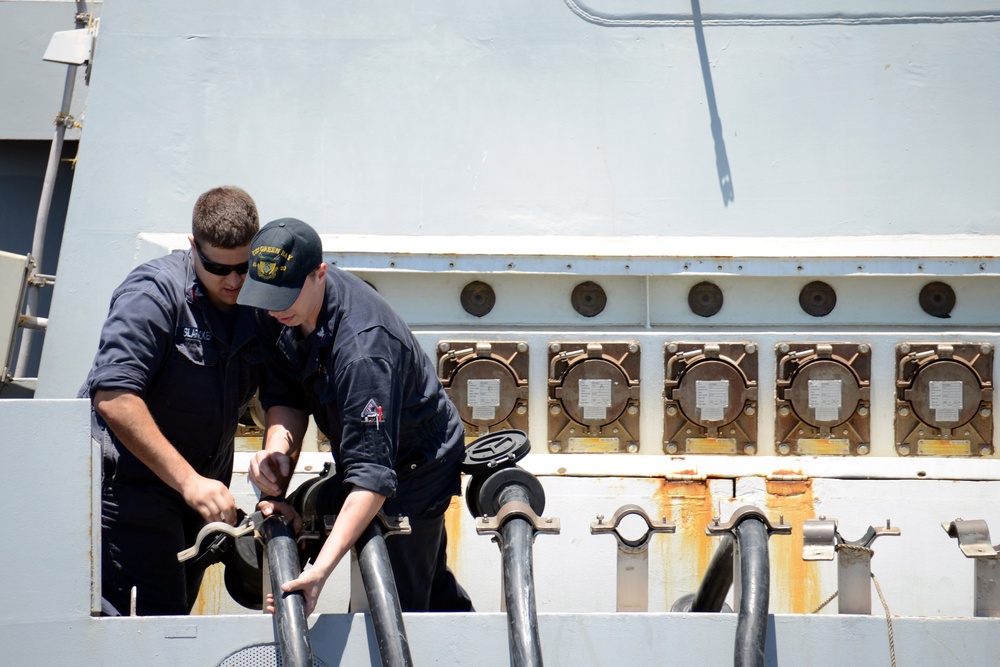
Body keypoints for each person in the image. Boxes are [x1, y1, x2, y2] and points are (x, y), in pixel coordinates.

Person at [238, 217, 473, 615]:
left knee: (396, 603)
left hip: (417, 465)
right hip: (366, 457)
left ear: (320, 274)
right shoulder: (277, 304)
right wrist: (277, 455)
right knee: (424, 583)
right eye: (266, 297)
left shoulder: (363, 351)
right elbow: (287, 396)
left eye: (284, 298)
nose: (274, 310)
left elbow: (372, 478)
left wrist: (319, 575)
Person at [80, 186, 262, 616]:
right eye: (218, 267)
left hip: (197, 504)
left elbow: (278, 387)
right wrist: (189, 482)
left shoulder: (257, 301)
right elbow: (113, 396)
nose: (234, 281)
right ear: (192, 246)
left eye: (244, 267)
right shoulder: (153, 294)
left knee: (176, 628)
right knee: (150, 634)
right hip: (132, 498)